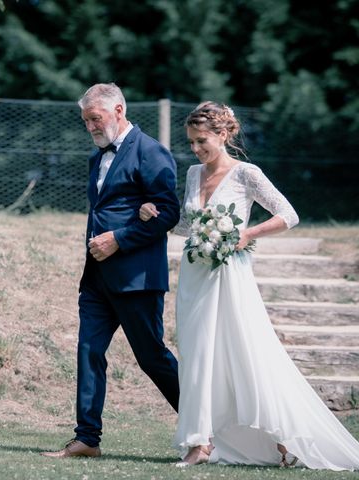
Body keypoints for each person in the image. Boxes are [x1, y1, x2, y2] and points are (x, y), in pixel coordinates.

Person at [139, 101, 359, 470]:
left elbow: (288, 215)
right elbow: (187, 228)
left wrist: (246, 233)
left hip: (230, 277)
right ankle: (199, 442)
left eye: (202, 141)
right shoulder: (193, 174)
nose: (196, 149)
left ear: (223, 134)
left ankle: (283, 439)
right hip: (195, 277)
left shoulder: (246, 174)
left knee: (246, 354)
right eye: (191, 142)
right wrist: (159, 217)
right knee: (196, 358)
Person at [41, 83, 181, 458]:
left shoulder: (151, 152)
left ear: (118, 110)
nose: (89, 126)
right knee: (88, 351)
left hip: (137, 278)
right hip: (97, 278)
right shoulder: (96, 156)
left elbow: (168, 212)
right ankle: (87, 438)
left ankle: (203, 427)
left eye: (95, 118)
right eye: (86, 120)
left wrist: (119, 238)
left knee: (152, 358)